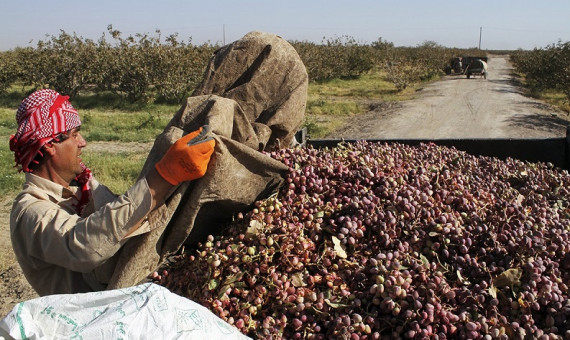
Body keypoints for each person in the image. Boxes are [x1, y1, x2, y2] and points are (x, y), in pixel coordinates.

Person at [8, 89, 215, 296]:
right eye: (74, 134)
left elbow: (118, 217)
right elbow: (85, 245)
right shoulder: (30, 212)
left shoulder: (80, 189)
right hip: (85, 323)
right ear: (51, 145)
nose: (83, 142)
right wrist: (162, 177)